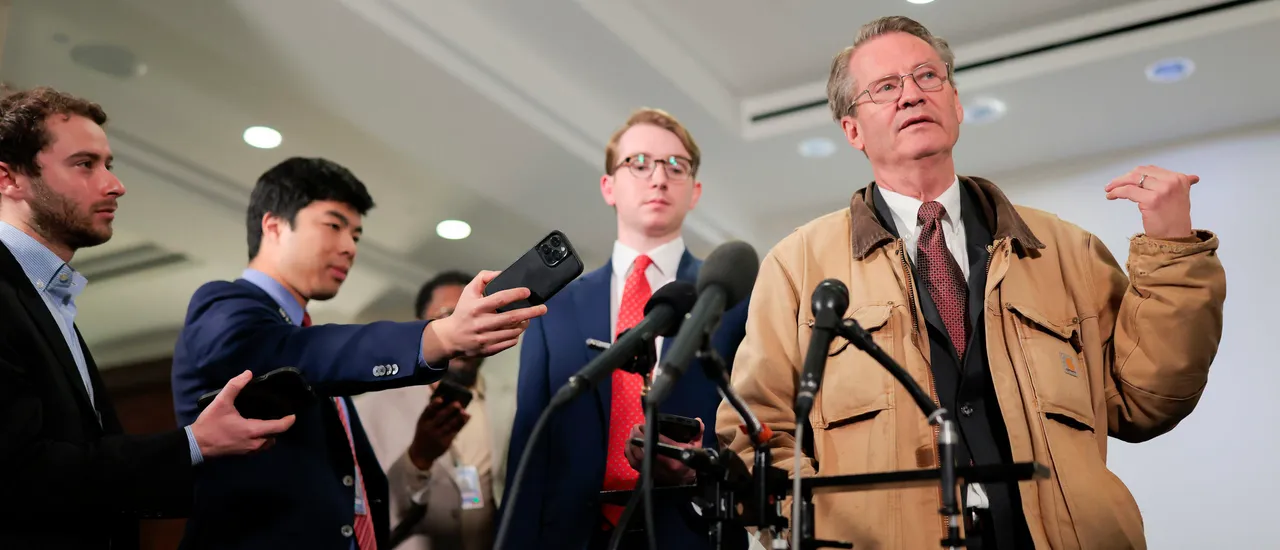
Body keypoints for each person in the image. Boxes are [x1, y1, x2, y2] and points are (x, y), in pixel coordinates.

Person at [717, 15, 1227, 550]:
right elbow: (756, 435)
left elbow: (1146, 399)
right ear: (852, 130)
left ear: (956, 103)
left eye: (927, 77)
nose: (911, 95)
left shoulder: (1064, 250)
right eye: (886, 87)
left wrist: (1171, 250)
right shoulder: (798, 265)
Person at [170, 157, 546, 550]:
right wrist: (440, 336)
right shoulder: (223, 305)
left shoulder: (306, 339)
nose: (349, 247)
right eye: (334, 225)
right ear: (274, 225)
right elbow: (292, 353)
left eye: (356, 235)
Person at [0, 86, 296, 550]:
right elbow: (18, 473)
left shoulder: (46, 296)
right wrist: (194, 443)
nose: (115, 184)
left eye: (109, 164)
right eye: (84, 164)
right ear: (9, 179)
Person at [500, 108, 751, 550]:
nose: (658, 178)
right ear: (608, 186)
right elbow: (531, 445)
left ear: (694, 192)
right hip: (574, 534)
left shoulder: (732, 300)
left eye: (676, 165)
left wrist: (701, 468)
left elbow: (755, 431)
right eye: (639, 163)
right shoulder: (556, 308)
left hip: (693, 531)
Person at [355, 270, 516, 550]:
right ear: (421, 326)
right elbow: (363, 507)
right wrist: (418, 458)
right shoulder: (372, 407)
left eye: (478, 315)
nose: (467, 326)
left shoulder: (510, 403)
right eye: (449, 315)